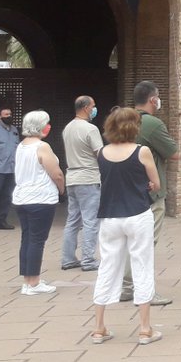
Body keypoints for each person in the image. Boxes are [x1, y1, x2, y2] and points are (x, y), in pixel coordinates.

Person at [91, 107, 163, 345]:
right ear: (134, 127)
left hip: (110, 216)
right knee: (142, 264)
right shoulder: (142, 151)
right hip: (137, 213)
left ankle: (99, 327)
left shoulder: (101, 152)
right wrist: (147, 185)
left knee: (108, 267)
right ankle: (144, 328)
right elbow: (155, 183)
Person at [121, 81, 177, 306]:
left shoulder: (124, 119)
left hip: (126, 188)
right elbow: (173, 153)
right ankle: (144, 290)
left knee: (128, 241)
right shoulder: (152, 123)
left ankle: (124, 286)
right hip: (151, 191)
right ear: (153, 100)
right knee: (146, 242)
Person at [11, 111, 65, 295]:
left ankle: (28, 280)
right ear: (41, 126)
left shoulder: (21, 146)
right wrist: (61, 188)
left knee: (27, 238)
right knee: (37, 240)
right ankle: (33, 283)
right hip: (40, 198)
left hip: (22, 197)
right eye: (47, 123)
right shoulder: (42, 147)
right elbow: (56, 172)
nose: (49, 126)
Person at [61, 95, 103, 271]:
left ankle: (68, 258)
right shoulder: (90, 129)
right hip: (89, 177)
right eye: (93, 105)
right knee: (90, 220)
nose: (94, 109)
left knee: (73, 220)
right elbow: (99, 153)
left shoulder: (67, 128)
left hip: (72, 177)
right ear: (86, 108)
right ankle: (88, 259)